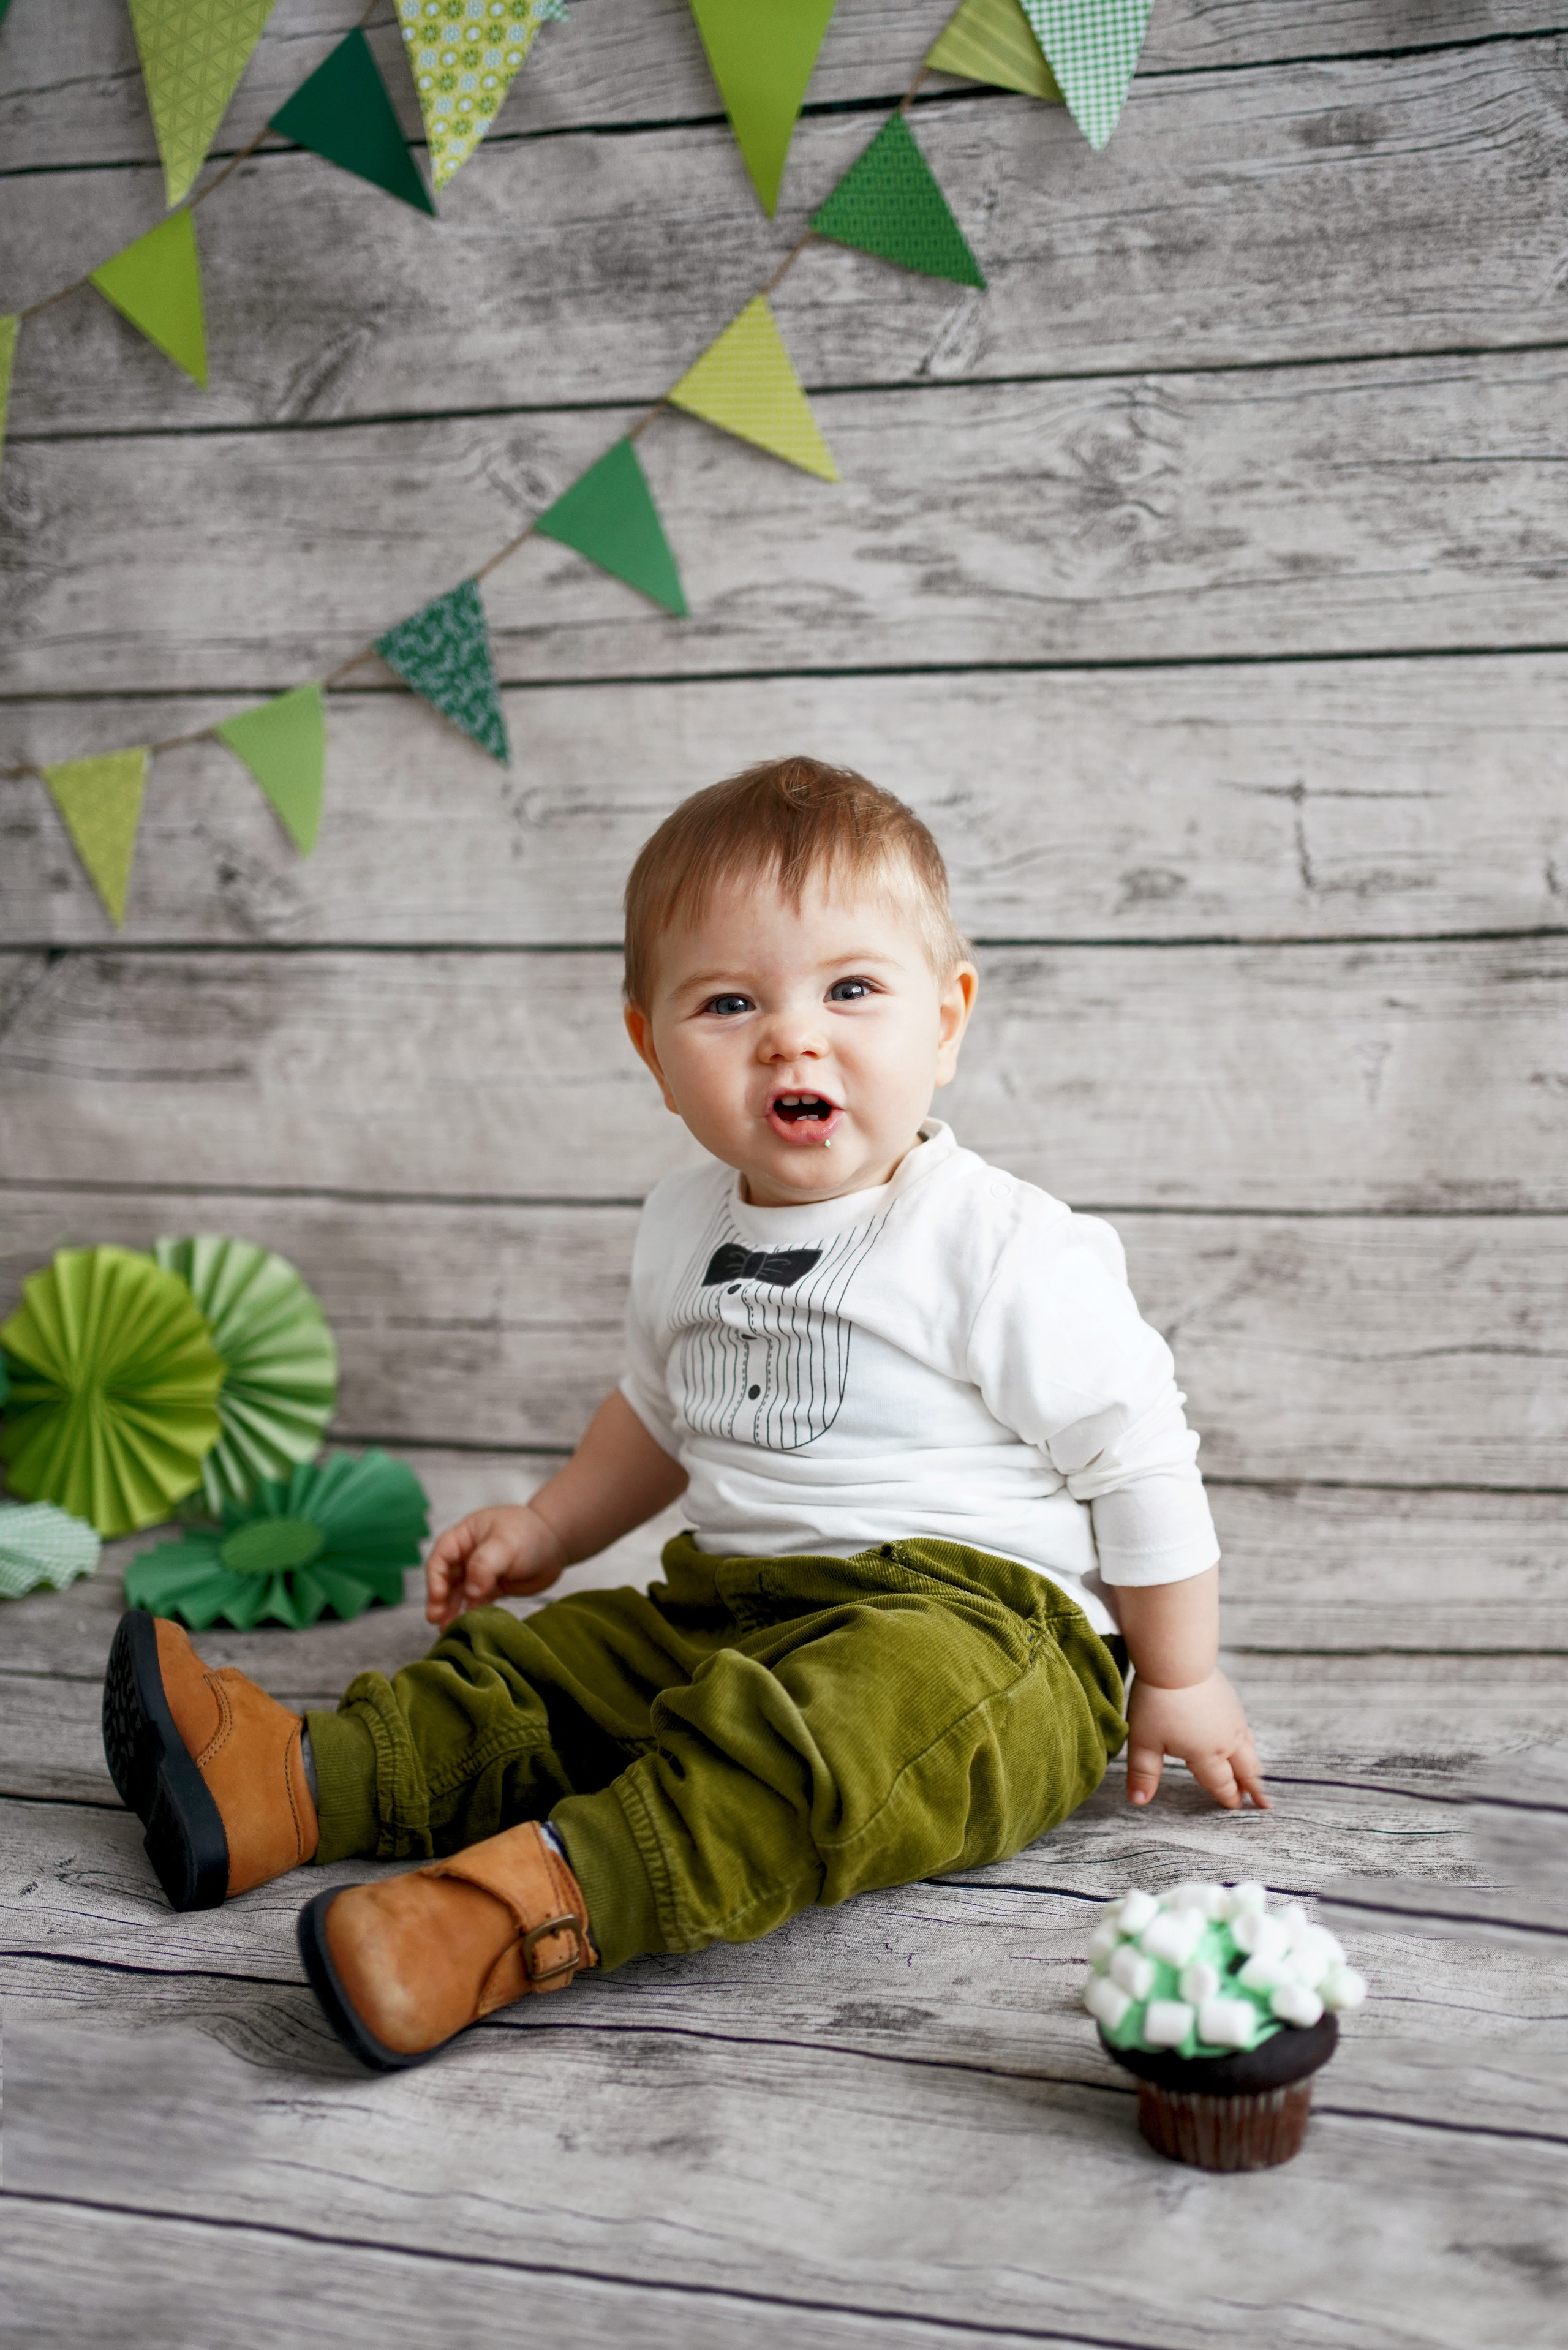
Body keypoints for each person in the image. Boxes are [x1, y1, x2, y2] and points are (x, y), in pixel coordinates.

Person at [102, 756, 1267, 2073]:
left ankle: (522, 1909)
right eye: (729, 1001)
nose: (792, 1037)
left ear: (945, 1020)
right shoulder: (680, 1223)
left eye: (850, 989)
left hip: (983, 1636)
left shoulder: (998, 1242)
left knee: (819, 1738)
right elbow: (657, 1413)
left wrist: (1176, 1674)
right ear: (652, 1048)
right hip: (729, 1600)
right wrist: (549, 1526)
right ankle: (293, 1779)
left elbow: (1137, 1455)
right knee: (550, 1669)